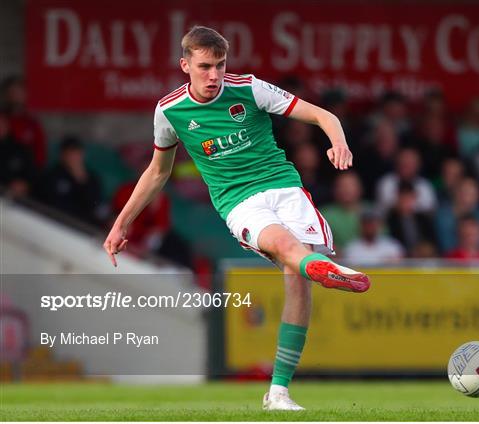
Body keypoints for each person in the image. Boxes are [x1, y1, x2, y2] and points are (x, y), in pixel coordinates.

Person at [103, 26, 371, 411]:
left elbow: (322, 115)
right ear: (186, 66)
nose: (214, 75)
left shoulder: (249, 88)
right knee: (285, 248)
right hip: (238, 201)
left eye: (220, 65)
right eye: (205, 66)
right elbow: (157, 172)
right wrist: (120, 224)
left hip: (284, 187)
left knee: (296, 278)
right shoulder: (170, 111)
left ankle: (278, 393)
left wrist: (339, 142)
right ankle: (322, 268)